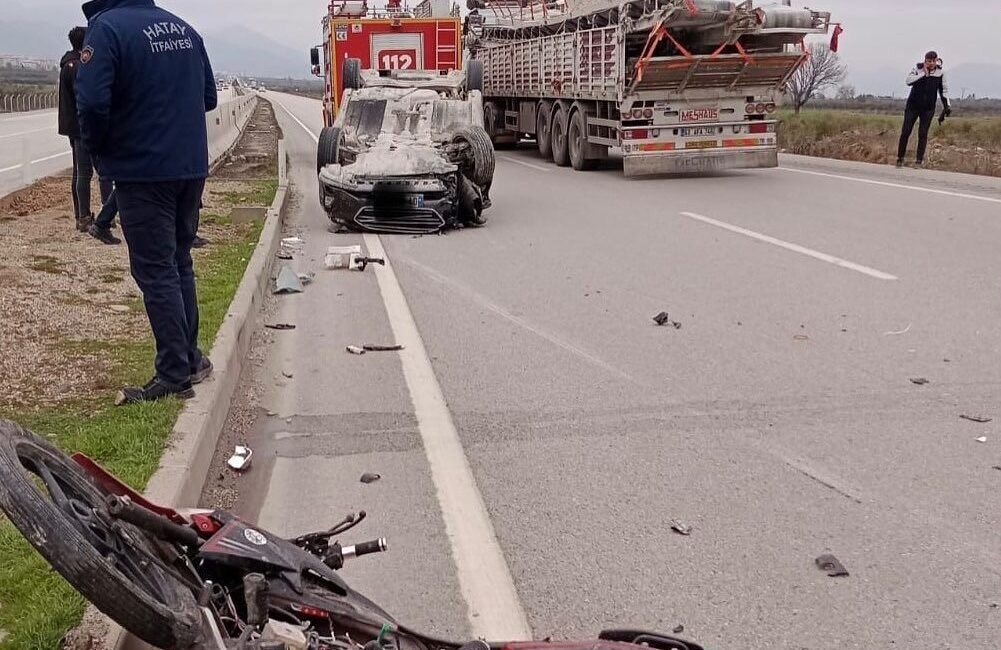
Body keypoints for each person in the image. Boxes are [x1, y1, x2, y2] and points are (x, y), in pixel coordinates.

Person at [76, 0, 217, 403]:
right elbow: (208, 97)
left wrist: (100, 150)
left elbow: (91, 101)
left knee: (155, 271)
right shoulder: (185, 29)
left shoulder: (106, 29)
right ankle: (190, 359)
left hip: (142, 169)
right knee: (179, 261)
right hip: (190, 167)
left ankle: (174, 372)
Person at [58, 25, 113, 232]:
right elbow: (88, 99)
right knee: (99, 172)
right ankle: (104, 214)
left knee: (79, 173)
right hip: (85, 127)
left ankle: (80, 215)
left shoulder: (66, 64)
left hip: (72, 127)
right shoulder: (81, 66)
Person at [896, 51, 951, 168]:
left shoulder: (941, 73)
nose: (931, 63)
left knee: (923, 133)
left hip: (928, 108)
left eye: (933, 61)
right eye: (928, 61)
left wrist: (947, 106)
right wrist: (923, 74)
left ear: (936, 60)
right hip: (913, 106)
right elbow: (908, 81)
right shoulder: (917, 68)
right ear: (925, 61)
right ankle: (900, 158)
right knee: (906, 131)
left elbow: (944, 91)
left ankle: (919, 161)